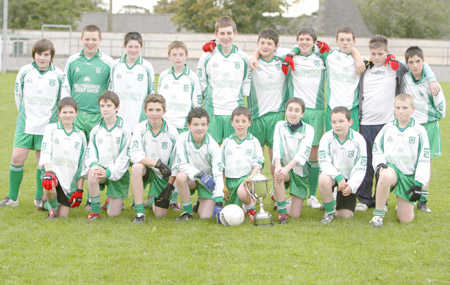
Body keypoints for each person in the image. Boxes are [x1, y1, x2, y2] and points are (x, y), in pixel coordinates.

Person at [356, 35, 439, 212]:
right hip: (366, 122)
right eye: (373, 54)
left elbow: (418, 63)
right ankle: (363, 199)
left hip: (387, 123)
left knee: (384, 163)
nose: (377, 57)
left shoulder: (396, 66)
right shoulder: (366, 66)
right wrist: (358, 56)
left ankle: (382, 201)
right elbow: (352, 56)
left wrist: (431, 79)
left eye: (381, 53)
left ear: (387, 52)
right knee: (367, 160)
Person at [0, 39, 63, 208]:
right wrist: (26, 114)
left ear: (51, 56)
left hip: (47, 126)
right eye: (39, 54)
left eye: (46, 55)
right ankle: (13, 198)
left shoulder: (58, 74)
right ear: (34, 54)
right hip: (26, 124)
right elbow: (18, 96)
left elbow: (61, 101)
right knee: (17, 158)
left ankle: (39, 198)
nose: (42, 58)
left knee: (41, 162)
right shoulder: (25, 71)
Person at [369, 94, 430, 227]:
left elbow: (424, 159)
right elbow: (377, 147)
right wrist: (379, 165)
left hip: (408, 175)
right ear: (394, 109)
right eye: (398, 108)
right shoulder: (388, 128)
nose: (401, 111)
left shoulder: (420, 131)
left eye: (405, 108)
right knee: (385, 175)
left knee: (406, 219)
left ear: (412, 109)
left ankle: (402, 201)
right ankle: (378, 215)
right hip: (393, 169)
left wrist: (419, 183)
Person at [403, 46, 446, 213]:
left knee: (425, 164)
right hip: (411, 127)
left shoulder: (432, 84)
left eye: (418, 61)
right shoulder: (406, 78)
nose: (415, 65)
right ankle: (409, 196)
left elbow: (442, 110)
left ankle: (423, 200)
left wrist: (426, 116)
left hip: (428, 127)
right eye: (411, 62)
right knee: (410, 162)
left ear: (423, 62)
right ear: (407, 64)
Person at [197, 16, 250, 144]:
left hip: (234, 112)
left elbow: (245, 83)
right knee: (211, 149)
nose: (226, 37)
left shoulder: (243, 57)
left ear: (235, 33)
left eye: (229, 33)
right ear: (216, 34)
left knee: (233, 149)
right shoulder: (207, 56)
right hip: (212, 110)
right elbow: (202, 82)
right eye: (222, 33)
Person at [129, 94, 178, 224]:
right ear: (145, 111)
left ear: (164, 111)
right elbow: (134, 155)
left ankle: (150, 202)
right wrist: (156, 164)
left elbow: (175, 162)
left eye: (158, 110)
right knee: (136, 167)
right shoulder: (139, 128)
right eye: (150, 110)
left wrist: (170, 185)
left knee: (160, 214)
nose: (154, 114)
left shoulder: (172, 132)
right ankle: (139, 212)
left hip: (162, 174)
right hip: (147, 168)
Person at [247, 28, 289, 175]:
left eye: (269, 43)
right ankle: (251, 191)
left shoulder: (283, 61)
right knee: (255, 157)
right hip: (256, 115)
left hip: (276, 115)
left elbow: (297, 49)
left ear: (276, 47)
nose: (265, 46)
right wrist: (254, 55)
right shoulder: (251, 63)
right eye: (262, 43)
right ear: (257, 44)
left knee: (275, 157)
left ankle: (275, 191)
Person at [62, 24, 114, 142]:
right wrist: (67, 109)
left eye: (94, 39)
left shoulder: (108, 62)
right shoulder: (72, 60)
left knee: (96, 152)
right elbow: (66, 86)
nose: (90, 42)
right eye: (87, 39)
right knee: (74, 150)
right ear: (81, 39)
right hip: (76, 115)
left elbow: (112, 90)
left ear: (100, 40)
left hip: (98, 115)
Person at [85, 91, 132, 220]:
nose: (105, 109)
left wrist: (110, 172)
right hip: (101, 169)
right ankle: (95, 212)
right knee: (92, 174)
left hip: (117, 173)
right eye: (102, 106)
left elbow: (125, 157)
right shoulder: (96, 130)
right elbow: (90, 153)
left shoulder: (125, 130)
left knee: (113, 214)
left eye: (109, 106)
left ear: (117, 108)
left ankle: (111, 200)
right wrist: (94, 166)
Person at [38, 97, 87, 218]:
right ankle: (53, 207)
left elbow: (82, 164)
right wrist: (49, 172)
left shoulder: (80, 135)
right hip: (54, 175)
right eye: (64, 112)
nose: (67, 115)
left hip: (69, 181)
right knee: (48, 180)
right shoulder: (51, 129)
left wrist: (79, 190)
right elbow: (45, 151)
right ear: (59, 113)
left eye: (71, 112)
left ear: (76, 113)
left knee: (64, 216)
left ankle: (46, 204)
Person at [173, 107, 224, 222]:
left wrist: (219, 200)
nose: (200, 128)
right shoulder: (182, 138)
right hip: (192, 178)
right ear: (189, 125)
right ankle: (188, 212)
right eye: (196, 124)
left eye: (203, 124)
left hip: (208, 183)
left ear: (207, 125)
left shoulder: (213, 145)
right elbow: (180, 163)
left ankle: (201, 201)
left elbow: (218, 174)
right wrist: (200, 174)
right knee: (180, 177)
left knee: (205, 216)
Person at [318, 107, 367, 224]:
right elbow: (323, 162)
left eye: (341, 121)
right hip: (333, 177)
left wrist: (351, 185)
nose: (337, 125)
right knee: (323, 178)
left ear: (350, 122)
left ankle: (333, 202)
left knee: (346, 216)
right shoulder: (326, 137)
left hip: (349, 180)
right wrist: (338, 177)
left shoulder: (359, 139)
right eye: (334, 122)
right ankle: (329, 211)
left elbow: (361, 166)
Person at [273, 98, 314, 224]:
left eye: (297, 111)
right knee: (278, 174)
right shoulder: (280, 125)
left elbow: (302, 153)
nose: (293, 113)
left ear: (302, 114)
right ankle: (282, 213)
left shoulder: (309, 129)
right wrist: (279, 165)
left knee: (295, 214)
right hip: (284, 166)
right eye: (290, 110)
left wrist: (287, 168)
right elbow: (277, 145)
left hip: (299, 170)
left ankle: (282, 202)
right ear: (285, 111)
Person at [222, 106, 264, 221]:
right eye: (237, 121)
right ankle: (244, 206)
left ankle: (251, 208)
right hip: (230, 181)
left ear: (249, 123)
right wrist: (223, 184)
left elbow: (258, 163)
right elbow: (221, 166)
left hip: (247, 180)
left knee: (242, 191)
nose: (240, 124)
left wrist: (250, 178)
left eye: (244, 121)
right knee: (232, 212)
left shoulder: (253, 141)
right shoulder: (227, 142)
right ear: (232, 123)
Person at [109, 32, 155, 130]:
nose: (133, 50)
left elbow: (151, 92)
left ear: (141, 47)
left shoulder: (147, 67)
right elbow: (111, 90)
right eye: (130, 47)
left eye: (136, 47)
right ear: (124, 46)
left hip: (139, 115)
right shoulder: (115, 65)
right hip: (118, 114)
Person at [158, 40, 202, 132]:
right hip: (164, 124)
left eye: (181, 55)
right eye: (174, 55)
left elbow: (197, 104)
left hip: (183, 126)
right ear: (169, 56)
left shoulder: (193, 77)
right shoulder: (163, 76)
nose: (178, 58)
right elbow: (159, 101)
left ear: (186, 56)